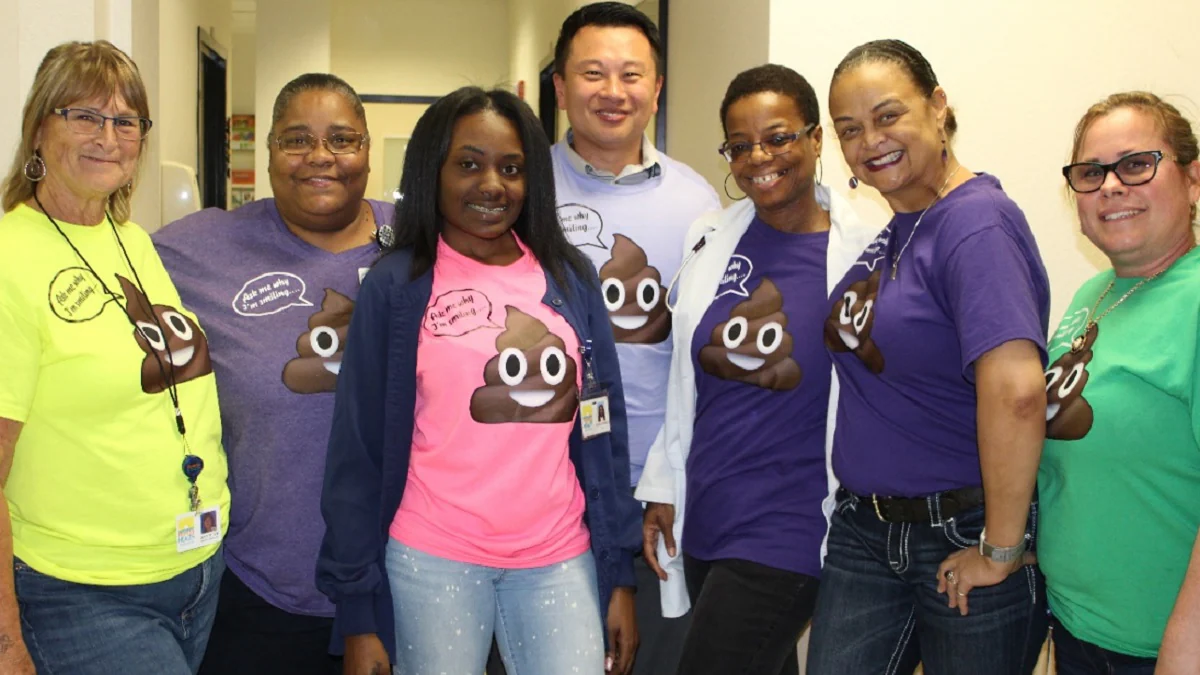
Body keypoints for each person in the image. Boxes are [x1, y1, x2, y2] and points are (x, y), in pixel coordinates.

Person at [316, 86, 641, 675]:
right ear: (432, 172)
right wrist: (359, 613)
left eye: (511, 168)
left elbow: (603, 430)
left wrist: (618, 573)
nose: (492, 183)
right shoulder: (396, 286)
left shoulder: (570, 278)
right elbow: (356, 453)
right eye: (469, 163)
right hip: (432, 558)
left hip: (558, 554)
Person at [805, 39, 1051, 674]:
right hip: (868, 532)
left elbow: (1019, 391)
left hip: (961, 528)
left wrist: (998, 547)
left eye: (889, 116)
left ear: (938, 107)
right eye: (849, 129)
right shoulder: (900, 230)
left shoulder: (977, 223)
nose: (870, 141)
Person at [636, 64, 879, 675]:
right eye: (739, 145)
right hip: (710, 509)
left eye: (778, 137)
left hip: (793, 523)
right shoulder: (711, 236)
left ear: (816, 139)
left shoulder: (867, 248)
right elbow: (684, 382)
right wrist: (663, 489)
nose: (758, 157)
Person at [0, 40, 229, 675]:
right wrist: (4, 640)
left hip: (194, 568)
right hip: (83, 591)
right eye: (85, 116)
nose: (109, 137)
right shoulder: (9, 257)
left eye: (126, 121)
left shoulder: (130, 239)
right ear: (39, 129)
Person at [154, 73, 391, 675]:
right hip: (256, 591)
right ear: (267, 155)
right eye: (296, 140)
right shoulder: (200, 248)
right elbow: (98, 262)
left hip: (409, 585)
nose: (320, 157)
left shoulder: (425, 243)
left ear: (368, 150)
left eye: (342, 139)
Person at [548, 5, 720, 672]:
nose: (612, 92)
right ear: (561, 88)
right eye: (592, 73)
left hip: (657, 491)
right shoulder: (518, 188)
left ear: (657, 88)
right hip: (541, 486)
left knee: (649, 653)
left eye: (631, 75)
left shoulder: (698, 202)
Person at [1038, 91, 1200, 674]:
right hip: (1080, 633)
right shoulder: (1094, 294)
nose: (1110, 185)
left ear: (1192, 179)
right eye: (1091, 172)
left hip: (1162, 652)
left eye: (1136, 164)